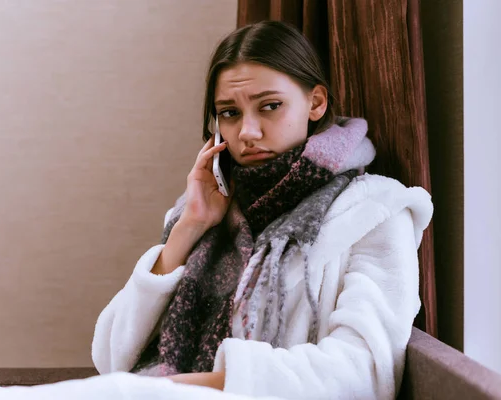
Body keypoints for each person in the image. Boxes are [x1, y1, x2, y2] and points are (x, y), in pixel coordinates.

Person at [91, 21, 433, 400]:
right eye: (230, 113)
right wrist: (189, 226)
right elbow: (111, 357)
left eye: (270, 106)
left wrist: (185, 386)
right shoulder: (205, 211)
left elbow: (364, 372)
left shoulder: (375, 210)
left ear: (316, 103)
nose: (248, 132)